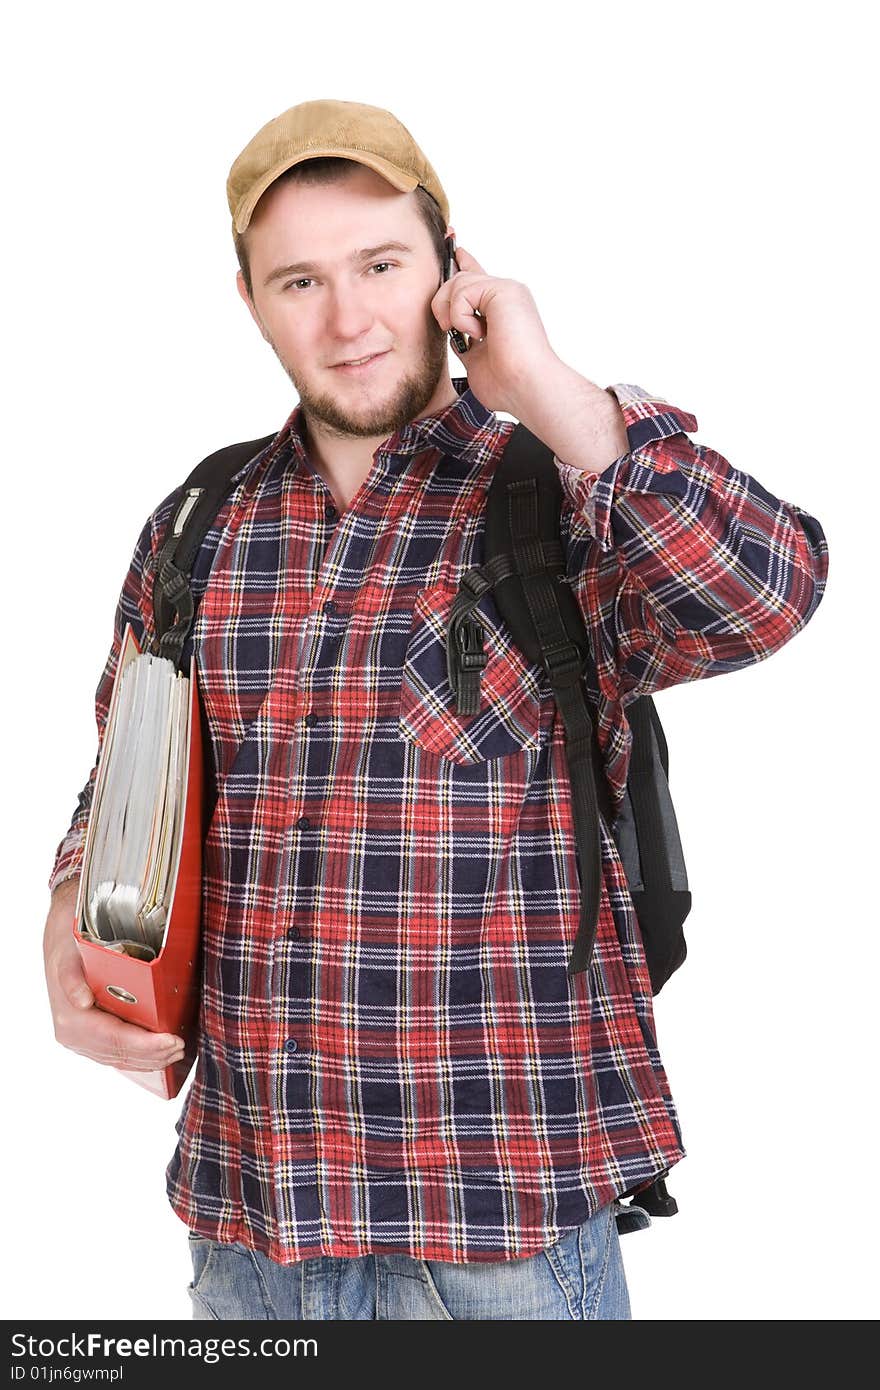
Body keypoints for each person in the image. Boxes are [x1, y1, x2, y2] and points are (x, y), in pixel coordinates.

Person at [43, 98, 829, 1321]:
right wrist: (63, 918)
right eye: (298, 279)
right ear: (248, 299)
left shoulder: (558, 493)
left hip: (494, 1235)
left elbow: (768, 593)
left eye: (380, 264)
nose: (347, 318)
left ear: (450, 270)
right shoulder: (198, 524)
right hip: (255, 1230)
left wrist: (551, 390)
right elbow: (122, 777)